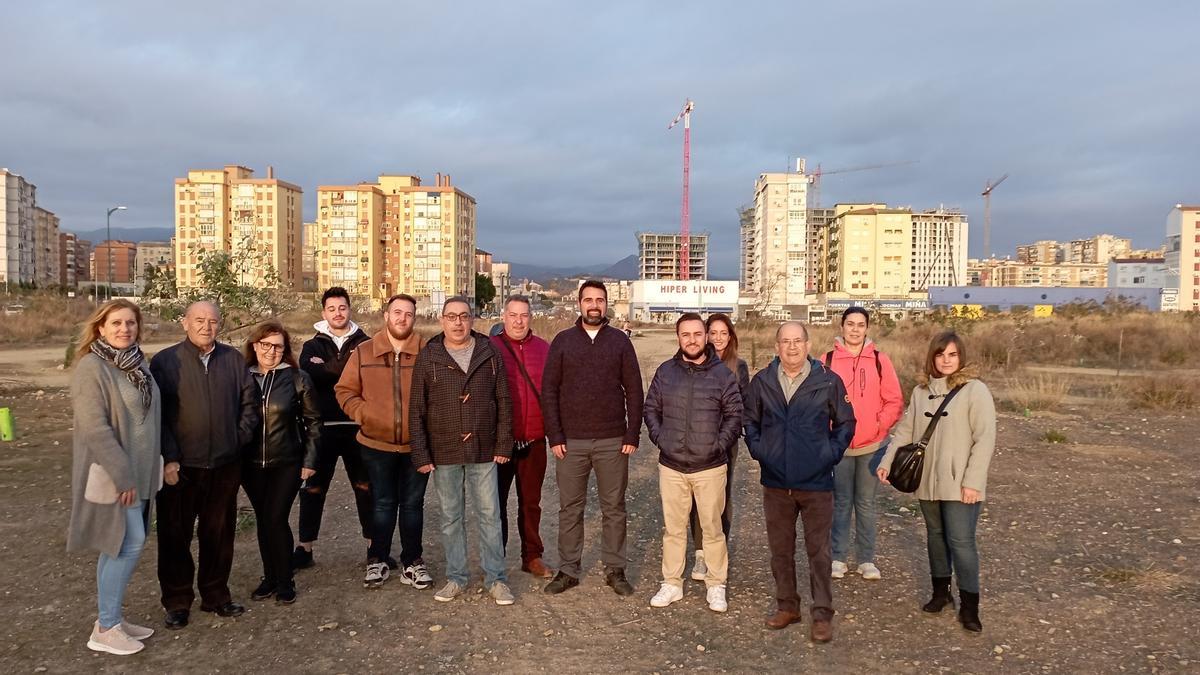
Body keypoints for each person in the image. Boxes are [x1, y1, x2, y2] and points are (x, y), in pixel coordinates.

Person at [743, 321, 855, 644]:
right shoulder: (762, 381)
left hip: (816, 483)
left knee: (818, 552)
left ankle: (822, 614)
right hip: (776, 482)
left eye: (797, 341)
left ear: (808, 345)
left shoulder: (828, 381)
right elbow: (749, 421)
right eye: (785, 342)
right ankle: (787, 606)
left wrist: (828, 454)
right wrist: (760, 450)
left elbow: (846, 423)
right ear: (777, 346)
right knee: (780, 551)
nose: (791, 347)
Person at [878, 331, 996, 633]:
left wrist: (973, 482)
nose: (946, 360)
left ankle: (970, 606)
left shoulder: (975, 390)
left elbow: (985, 439)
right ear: (933, 356)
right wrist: (887, 462)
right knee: (935, 536)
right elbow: (905, 432)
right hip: (928, 478)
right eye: (941, 354)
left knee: (961, 542)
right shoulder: (921, 391)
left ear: (961, 357)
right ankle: (940, 593)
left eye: (953, 355)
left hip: (960, 483)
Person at [151, 301, 259, 629]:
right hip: (181, 467)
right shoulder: (166, 362)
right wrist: (169, 458)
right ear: (184, 322)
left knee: (219, 534)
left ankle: (216, 596)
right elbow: (159, 418)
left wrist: (236, 439)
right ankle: (177, 600)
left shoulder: (233, 359)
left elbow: (249, 405)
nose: (206, 327)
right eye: (199, 320)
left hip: (225, 465)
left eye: (213, 321)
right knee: (174, 536)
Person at [68, 299, 162, 655]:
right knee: (127, 543)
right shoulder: (92, 367)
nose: (125, 329)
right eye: (117, 323)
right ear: (100, 328)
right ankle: (106, 626)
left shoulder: (139, 364)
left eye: (130, 323)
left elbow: (150, 418)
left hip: (140, 473)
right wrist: (123, 477)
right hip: (116, 475)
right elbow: (95, 428)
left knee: (121, 546)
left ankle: (112, 619)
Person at [541, 280, 644, 596]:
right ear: (579, 304)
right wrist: (555, 435)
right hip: (570, 442)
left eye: (600, 300)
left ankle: (615, 569)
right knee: (570, 507)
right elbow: (549, 391)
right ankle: (568, 569)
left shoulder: (620, 342)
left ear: (607, 303)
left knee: (614, 507)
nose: (594, 305)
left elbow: (635, 390)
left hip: (613, 440)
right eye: (589, 300)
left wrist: (632, 433)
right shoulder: (563, 341)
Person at [410, 297, 515, 605]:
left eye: (464, 316)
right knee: (451, 517)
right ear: (442, 320)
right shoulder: (429, 356)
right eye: (452, 317)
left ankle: (496, 579)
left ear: (473, 320)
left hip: (484, 448)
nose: (458, 322)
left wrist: (503, 443)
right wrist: (421, 452)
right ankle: (456, 577)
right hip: (444, 448)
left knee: (489, 515)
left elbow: (505, 403)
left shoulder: (489, 352)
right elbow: (417, 409)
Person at [644, 313, 742, 613]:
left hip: (710, 467)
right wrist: (663, 440)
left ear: (706, 336)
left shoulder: (722, 374)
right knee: (673, 529)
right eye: (685, 334)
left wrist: (717, 445)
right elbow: (651, 409)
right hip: (672, 466)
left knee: (712, 529)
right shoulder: (665, 372)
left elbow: (735, 415)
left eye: (698, 334)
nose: (692, 340)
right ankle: (671, 582)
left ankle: (716, 585)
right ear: (678, 337)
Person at [335, 294, 431, 590]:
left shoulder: (427, 353)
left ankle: (412, 561)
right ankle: (377, 557)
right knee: (382, 503)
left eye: (409, 314)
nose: (402, 318)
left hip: (416, 446)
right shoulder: (364, 352)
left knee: (413, 505)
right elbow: (345, 391)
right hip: (376, 444)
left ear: (415, 319)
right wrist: (366, 414)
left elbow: (438, 394)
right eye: (397, 312)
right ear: (386, 315)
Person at [242, 321, 321, 604]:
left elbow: (314, 422)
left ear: (285, 349)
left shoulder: (298, 378)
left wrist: (310, 461)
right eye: (265, 344)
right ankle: (270, 577)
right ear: (255, 346)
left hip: (286, 461)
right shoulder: (242, 377)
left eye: (278, 346)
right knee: (264, 521)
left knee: (276, 518)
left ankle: (285, 579)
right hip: (250, 465)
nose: (271, 351)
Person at [295, 287, 373, 570]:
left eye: (342, 308)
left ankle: (373, 546)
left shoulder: (366, 342)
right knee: (313, 488)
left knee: (365, 487)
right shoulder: (311, 346)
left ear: (349, 309)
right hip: (322, 428)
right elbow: (308, 373)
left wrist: (328, 368)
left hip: (357, 426)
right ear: (323, 313)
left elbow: (368, 375)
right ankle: (305, 548)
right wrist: (346, 368)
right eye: (332, 309)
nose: (337, 313)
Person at [825, 307, 902, 581]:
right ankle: (837, 557)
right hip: (841, 447)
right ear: (842, 326)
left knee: (866, 504)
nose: (855, 329)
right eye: (850, 324)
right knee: (841, 502)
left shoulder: (880, 360)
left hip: (873, 445)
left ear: (867, 328)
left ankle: (866, 559)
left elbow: (894, 399)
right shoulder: (828, 360)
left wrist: (880, 425)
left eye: (860, 325)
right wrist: (829, 431)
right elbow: (819, 401)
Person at [490, 294, 553, 578]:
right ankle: (495, 558)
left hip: (535, 439)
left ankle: (532, 556)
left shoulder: (544, 349)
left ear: (530, 318)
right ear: (504, 316)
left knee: (530, 502)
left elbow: (554, 393)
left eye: (524, 315)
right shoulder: (490, 348)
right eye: (513, 315)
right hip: (499, 441)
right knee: (496, 503)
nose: (518, 320)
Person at [686, 313, 750, 582]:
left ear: (731, 336)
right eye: (713, 332)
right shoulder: (695, 362)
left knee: (721, 498)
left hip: (725, 444)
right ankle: (700, 554)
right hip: (696, 442)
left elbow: (743, 406)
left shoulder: (739, 366)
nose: (718, 338)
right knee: (695, 499)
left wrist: (726, 437)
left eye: (724, 333)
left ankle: (717, 550)